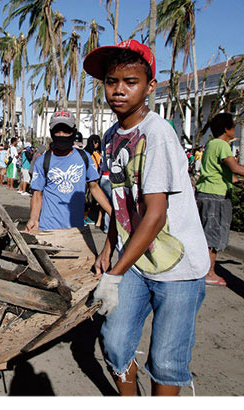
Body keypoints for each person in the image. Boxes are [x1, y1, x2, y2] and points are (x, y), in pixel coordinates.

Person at [84, 39, 210, 396]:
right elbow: (120, 202)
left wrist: (113, 274)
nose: (119, 90)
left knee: (167, 360)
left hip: (178, 267)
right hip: (134, 260)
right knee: (115, 343)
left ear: (150, 86)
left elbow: (155, 216)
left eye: (131, 81)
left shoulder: (158, 134)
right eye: (111, 82)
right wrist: (109, 247)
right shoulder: (111, 137)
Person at [27, 111, 111, 232]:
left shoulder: (84, 158)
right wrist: (33, 219)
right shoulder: (43, 161)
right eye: (57, 131)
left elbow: (94, 187)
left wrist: (112, 213)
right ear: (51, 132)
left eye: (66, 131)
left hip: (76, 229)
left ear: (73, 132)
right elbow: (37, 194)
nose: (61, 134)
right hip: (48, 228)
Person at [195, 113, 244, 287]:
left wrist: (236, 180)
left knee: (205, 234)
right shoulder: (222, 145)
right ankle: (209, 273)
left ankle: (203, 270)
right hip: (215, 196)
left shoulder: (210, 144)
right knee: (212, 236)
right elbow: (235, 167)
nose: (234, 129)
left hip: (205, 192)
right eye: (233, 126)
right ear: (226, 129)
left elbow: (221, 172)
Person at [84, 134, 103, 226]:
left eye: (98, 142)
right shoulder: (86, 153)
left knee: (93, 200)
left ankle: (89, 217)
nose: (97, 144)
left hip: (97, 179)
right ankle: (85, 217)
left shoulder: (99, 153)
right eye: (95, 142)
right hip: (87, 179)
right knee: (86, 200)